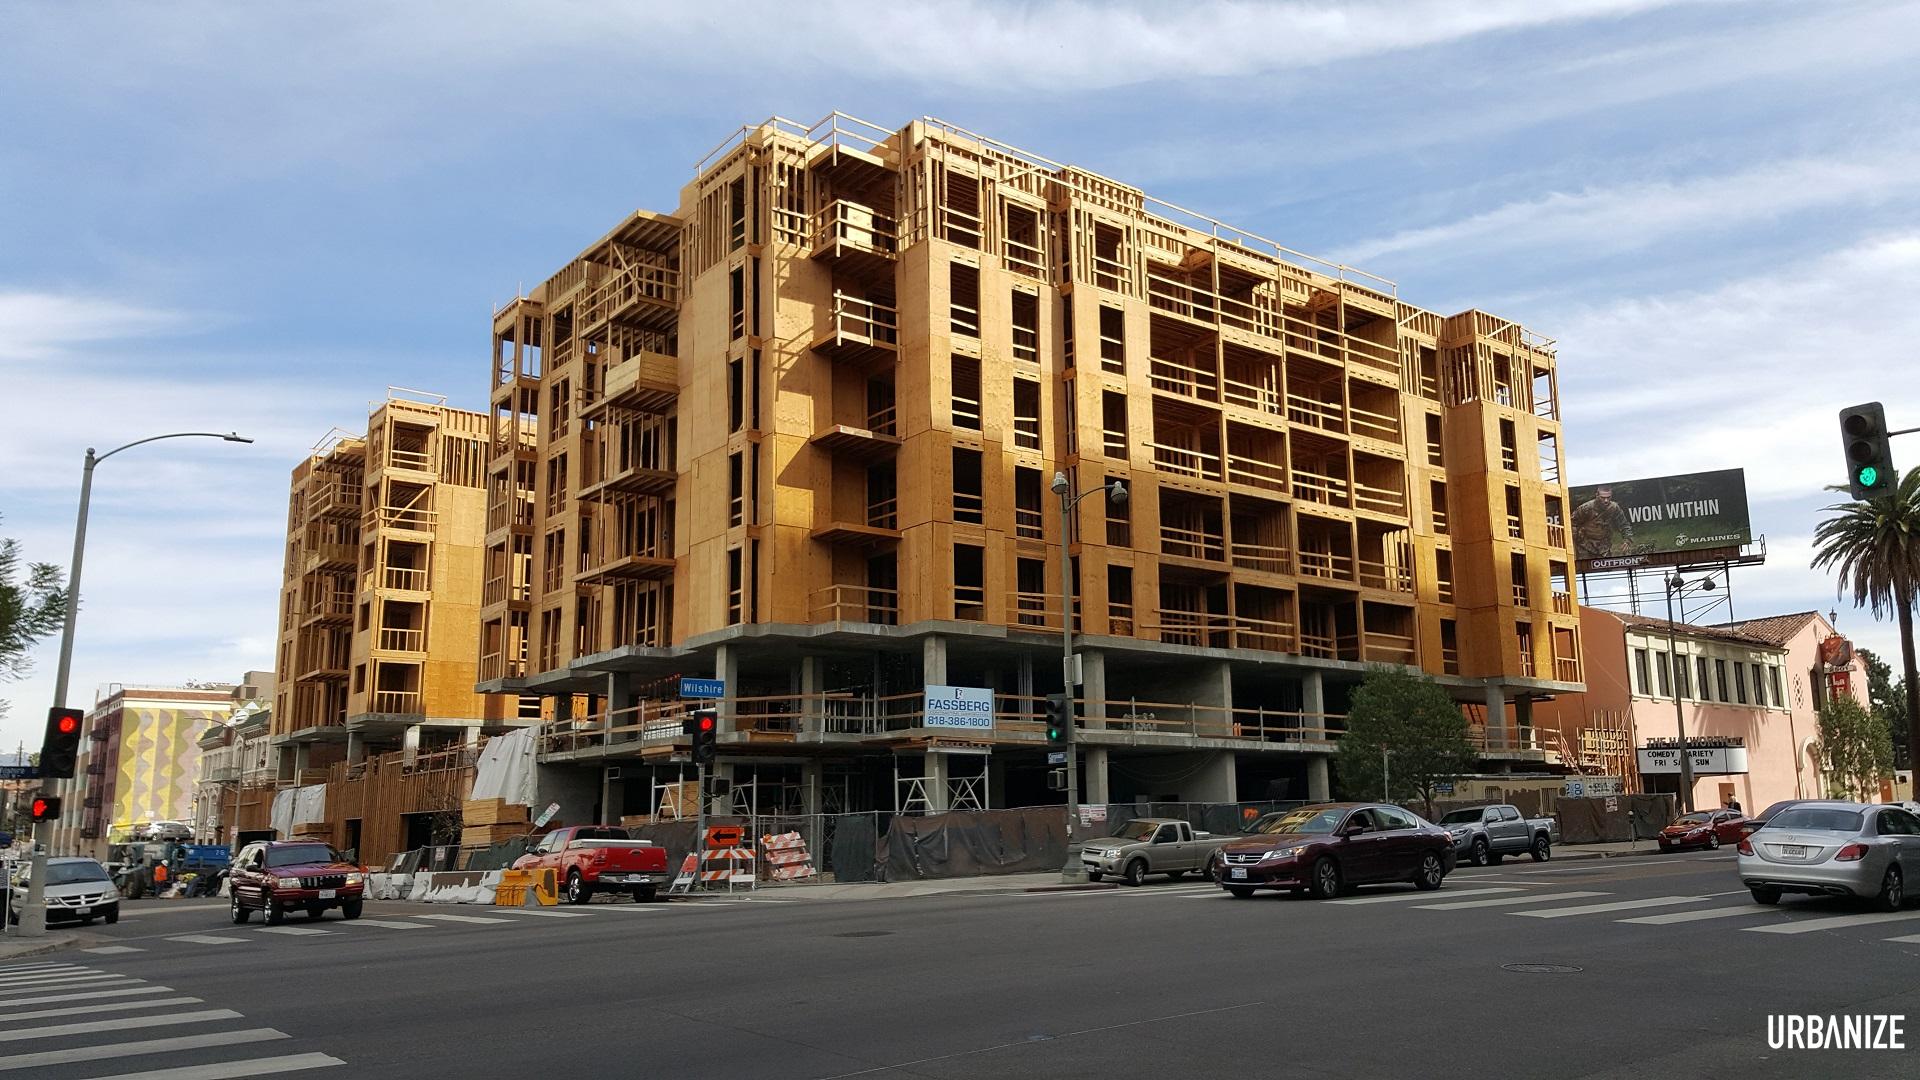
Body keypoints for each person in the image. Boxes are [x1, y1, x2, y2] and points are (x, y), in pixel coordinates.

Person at [1572, 485, 1635, 560]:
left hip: (1604, 546)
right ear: (1597, 495)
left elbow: (1624, 524)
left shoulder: (1614, 508)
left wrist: (1627, 540)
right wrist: (1575, 539)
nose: (1606, 500)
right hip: (1585, 546)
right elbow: (1572, 523)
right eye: (1603, 498)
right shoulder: (1586, 508)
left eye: (1608, 497)